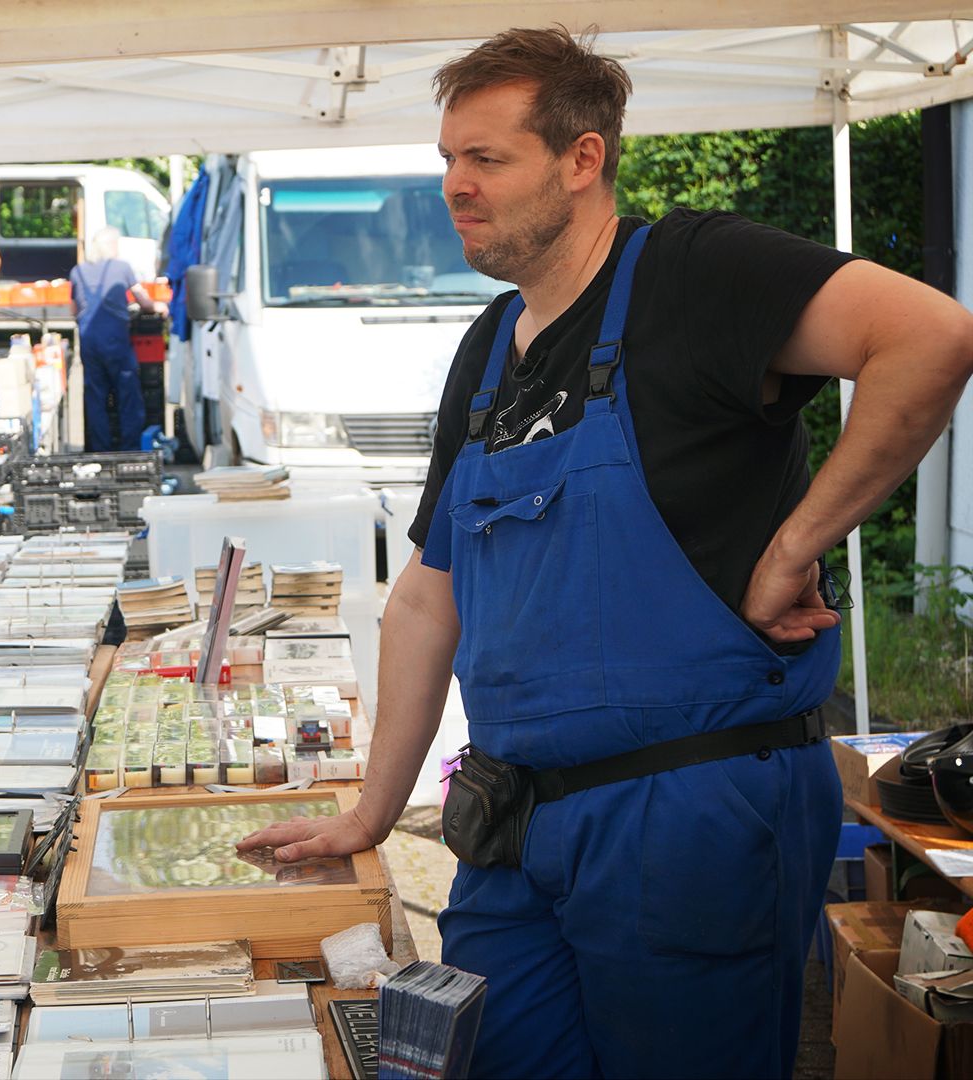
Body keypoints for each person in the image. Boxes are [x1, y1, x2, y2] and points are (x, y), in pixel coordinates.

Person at [238, 27, 973, 1078]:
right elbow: (428, 597)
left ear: (583, 158)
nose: (454, 186)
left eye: (485, 158)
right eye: (447, 158)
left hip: (686, 812)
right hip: (511, 819)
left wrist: (798, 543)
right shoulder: (488, 349)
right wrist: (371, 810)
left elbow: (929, 336)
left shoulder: (692, 272)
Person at [70, 227, 162, 452]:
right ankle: (130, 447)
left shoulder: (77, 271)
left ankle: (100, 449)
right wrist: (157, 306)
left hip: (89, 341)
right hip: (115, 340)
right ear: (111, 245)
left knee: (96, 396)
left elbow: (73, 309)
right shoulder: (122, 268)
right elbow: (143, 300)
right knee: (128, 393)